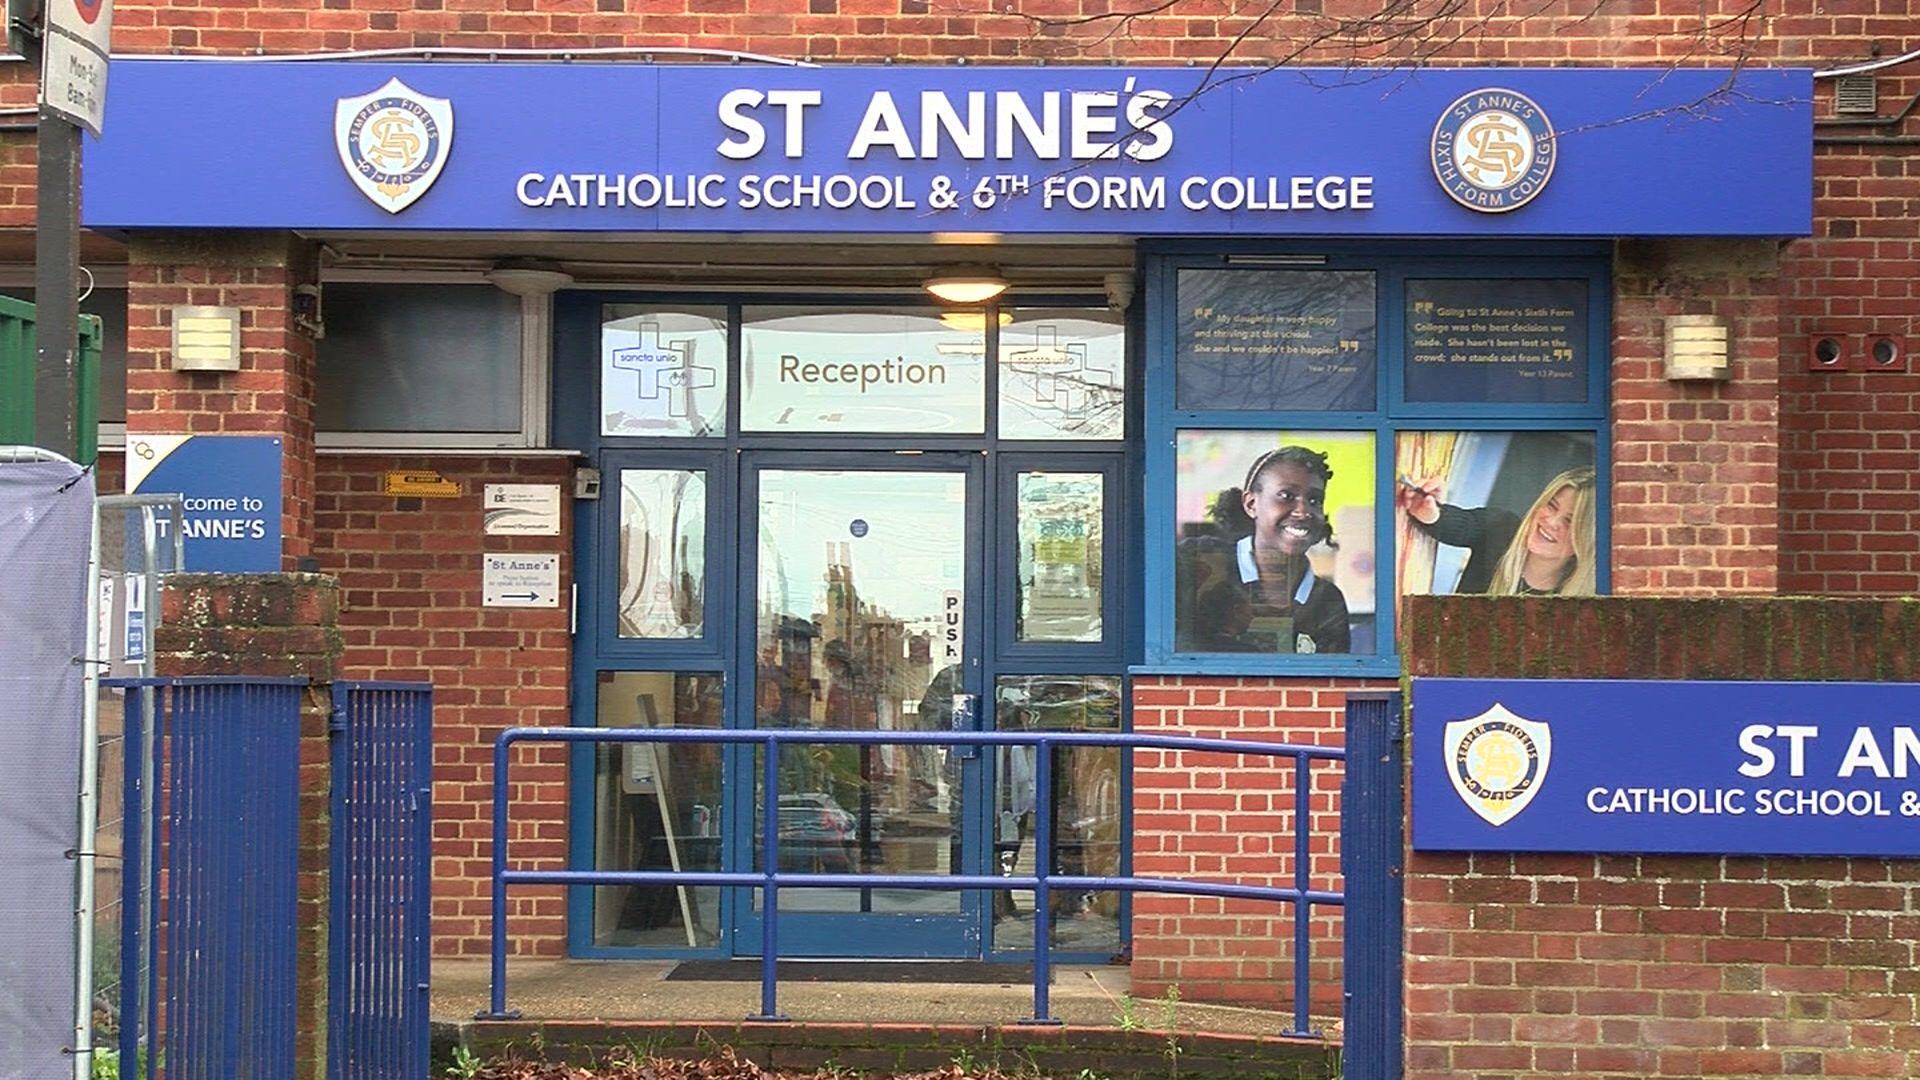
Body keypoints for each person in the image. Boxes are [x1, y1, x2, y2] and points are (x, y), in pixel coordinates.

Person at [1177, 445, 1351, 654]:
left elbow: (1330, 681)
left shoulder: (1326, 601)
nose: (1303, 511)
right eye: (1286, 496)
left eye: (1315, 500)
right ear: (1251, 504)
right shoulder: (1197, 562)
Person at [1402, 466, 1597, 596]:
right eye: (1552, 506)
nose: (1551, 521)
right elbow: (1458, 524)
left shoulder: (1578, 604)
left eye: (1569, 521)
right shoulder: (1502, 527)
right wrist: (1430, 511)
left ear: (1586, 540)